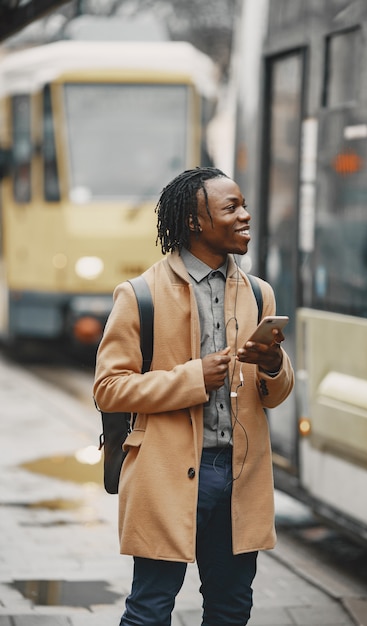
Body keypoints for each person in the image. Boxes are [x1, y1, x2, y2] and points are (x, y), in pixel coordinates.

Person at [93, 167, 294, 626]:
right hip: (166, 474)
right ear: (193, 222)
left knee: (231, 609)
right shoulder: (140, 295)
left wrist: (271, 366)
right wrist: (191, 378)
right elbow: (108, 389)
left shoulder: (259, 293)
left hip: (240, 477)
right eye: (231, 208)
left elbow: (277, 394)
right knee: (149, 610)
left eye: (244, 206)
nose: (245, 216)